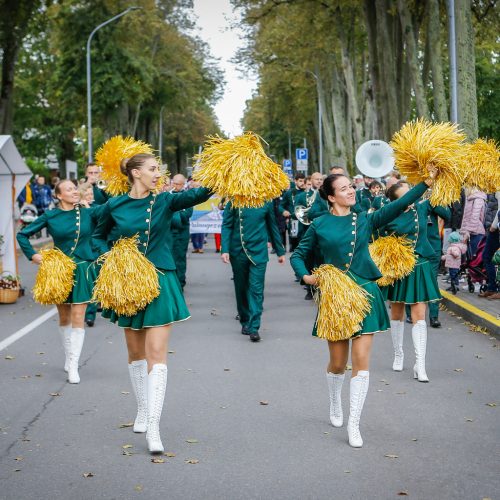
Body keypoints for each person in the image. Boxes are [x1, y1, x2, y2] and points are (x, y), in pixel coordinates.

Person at [290, 173, 435, 448]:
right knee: (337, 363)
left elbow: (396, 205)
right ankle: (335, 401)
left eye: (351, 187)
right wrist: (307, 277)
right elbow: (299, 254)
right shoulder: (320, 224)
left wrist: (426, 183)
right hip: (335, 298)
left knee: (361, 361)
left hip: (366, 293)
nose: (351, 191)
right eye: (344, 189)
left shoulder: (365, 218)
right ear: (331, 196)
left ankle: (354, 424)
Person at [92, 153, 212, 454]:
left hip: (160, 280)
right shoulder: (114, 205)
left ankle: (155, 428)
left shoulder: (164, 201)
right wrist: (113, 260)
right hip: (127, 286)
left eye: (158, 168)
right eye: (152, 169)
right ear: (135, 173)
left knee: (157, 354)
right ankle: (143, 408)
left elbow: (200, 193)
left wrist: (224, 171)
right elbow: (97, 237)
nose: (158, 173)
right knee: (135, 354)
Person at [17, 180, 101, 384]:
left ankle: (73, 365)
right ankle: (68, 356)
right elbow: (22, 235)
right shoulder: (51, 216)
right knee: (64, 317)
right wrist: (34, 256)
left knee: (79, 314)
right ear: (59, 196)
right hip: (59, 271)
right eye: (69, 189)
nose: (74, 191)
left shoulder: (89, 212)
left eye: (75, 188)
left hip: (82, 268)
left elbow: (110, 212)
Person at [380, 183, 445, 382]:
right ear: (397, 200)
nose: (412, 196)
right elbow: (378, 241)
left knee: (419, 314)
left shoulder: (423, 207)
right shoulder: (388, 214)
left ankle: (420, 364)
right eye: (406, 194)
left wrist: (438, 186)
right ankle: (399, 354)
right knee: (397, 311)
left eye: (411, 191)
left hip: (421, 263)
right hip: (399, 267)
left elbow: (446, 211)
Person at [221, 201, 286, 342]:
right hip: (238, 251)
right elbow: (227, 225)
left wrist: (280, 251)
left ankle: (254, 326)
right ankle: (245, 320)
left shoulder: (266, 202)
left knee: (257, 289)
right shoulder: (234, 201)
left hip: (259, 252)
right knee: (241, 288)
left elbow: (272, 226)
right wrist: (225, 249)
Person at [294, 172, 324, 300]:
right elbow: (298, 211)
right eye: (316, 179)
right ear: (311, 180)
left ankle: (321, 286)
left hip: (322, 232)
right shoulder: (302, 196)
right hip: (307, 231)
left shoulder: (325, 195)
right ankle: (309, 288)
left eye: (321, 179)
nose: (319, 181)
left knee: (321, 261)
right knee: (308, 260)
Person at [169, 174, 192, 289]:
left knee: (180, 257)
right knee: (169, 257)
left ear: (183, 184)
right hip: (168, 232)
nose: (175, 185)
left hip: (181, 232)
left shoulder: (186, 196)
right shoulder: (167, 195)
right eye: (174, 183)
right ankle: (171, 283)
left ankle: (180, 282)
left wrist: (172, 214)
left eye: (178, 184)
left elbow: (186, 214)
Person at [478, 192, 499, 298]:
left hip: (496, 229)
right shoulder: (493, 189)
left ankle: (494, 288)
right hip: (494, 228)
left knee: (487, 256)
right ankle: (492, 287)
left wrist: (494, 226)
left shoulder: (497, 187)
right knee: (487, 257)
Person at [279, 172, 306, 251]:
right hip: (294, 221)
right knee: (294, 243)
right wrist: (283, 211)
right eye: (300, 181)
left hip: (305, 221)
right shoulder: (289, 193)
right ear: (295, 181)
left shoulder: (306, 192)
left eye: (303, 181)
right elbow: (281, 205)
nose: (302, 183)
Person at [460, 188, 487, 257]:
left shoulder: (478, 198)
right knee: (471, 258)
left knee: (476, 259)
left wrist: (467, 232)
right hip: (471, 232)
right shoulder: (470, 197)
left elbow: (475, 217)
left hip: (476, 232)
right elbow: (466, 216)